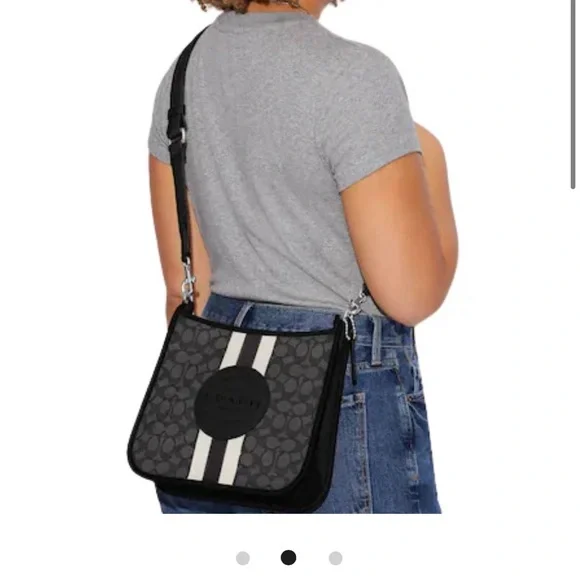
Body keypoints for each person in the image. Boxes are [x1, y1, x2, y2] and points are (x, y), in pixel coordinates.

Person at [147, 0, 458, 513]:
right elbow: (411, 295)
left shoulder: (182, 74)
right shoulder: (355, 76)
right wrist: (431, 157)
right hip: (338, 410)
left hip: (209, 419)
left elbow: (187, 293)